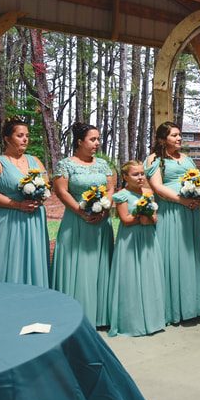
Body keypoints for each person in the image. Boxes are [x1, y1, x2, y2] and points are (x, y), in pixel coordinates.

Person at [51, 123, 115, 327]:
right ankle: (75, 315)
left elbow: (111, 188)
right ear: (79, 141)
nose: (97, 143)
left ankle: (101, 315)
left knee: (99, 264)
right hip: (76, 221)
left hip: (101, 223)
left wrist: (105, 208)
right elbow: (62, 192)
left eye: (98, 139)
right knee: (77, 266)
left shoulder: (104, 165)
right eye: (92, 139)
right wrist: (81, 212)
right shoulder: (65, 165)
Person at [145, 121, 200, 324]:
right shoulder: (155, 159)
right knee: (172, 256)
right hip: (171, 211)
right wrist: (182, 200)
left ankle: (193, 305)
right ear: (163, 139)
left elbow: (198, 181)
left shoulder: (187, 159)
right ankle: (170, 307)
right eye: (174, 135)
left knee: (191, 256)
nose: (179, 138)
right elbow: (157, 187)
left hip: (191, 212)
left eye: (180, 134)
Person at [0, 119, 50, 286]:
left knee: (31, 258)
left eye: (27, 136)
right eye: (20, 135)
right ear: (7, 138)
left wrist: (39, 197)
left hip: (33, 219)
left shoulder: (35, 161)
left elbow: (46, 185)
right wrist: (17, 205)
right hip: (7, 218)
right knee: (2, 259)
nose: (25, 139)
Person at [107, 161, 165, 337]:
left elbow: (155, 216)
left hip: (148, 238)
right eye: (135, 174)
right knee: (131, 276)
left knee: (148, 274)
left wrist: (151, 218)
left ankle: (152, 317)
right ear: (125, 177)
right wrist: (140, 218)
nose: (140, 177)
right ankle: (132, 321)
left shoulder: (148, 193)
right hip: (130, 240)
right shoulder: (122, 195)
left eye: (142, 173)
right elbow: (125, 219)